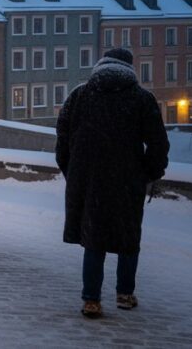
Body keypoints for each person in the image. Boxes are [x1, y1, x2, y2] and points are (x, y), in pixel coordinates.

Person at [55, 47, 169, 319]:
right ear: (130, 68)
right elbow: (158, 143)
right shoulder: (142, 98)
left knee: (93, 238)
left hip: (89, 180)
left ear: (101, 65)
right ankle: (125, 294)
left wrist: (74, 172)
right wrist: (148, 173)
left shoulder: (79, 96)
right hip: (127, 181)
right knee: (128, 237)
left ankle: (91, 300)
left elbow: (62, 139)